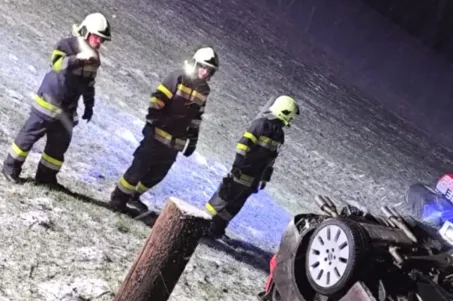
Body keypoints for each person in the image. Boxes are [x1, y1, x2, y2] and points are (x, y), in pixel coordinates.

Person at [2, 13, 111, 186]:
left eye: (102, 40)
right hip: (48, 104)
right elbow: (57, 65)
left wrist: (89, 105)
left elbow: (89, 83)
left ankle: (46, 177)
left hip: (67, 110)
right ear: (86, 32)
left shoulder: (95, 59)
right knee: (27, 137)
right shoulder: (66, 44)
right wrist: (78, 59)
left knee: (58, 147)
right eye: (98, 37)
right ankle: (10, 168)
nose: (99, 43)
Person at [109, 47, 218, 214]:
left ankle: (134, 196)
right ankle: (118, 199)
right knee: (139, 167)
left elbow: (197, 116)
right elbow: (157, 99)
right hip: (156, 134)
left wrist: (193, 139)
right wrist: (153, 122)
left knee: (158, 173)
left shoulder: (204, 90)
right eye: (204, 67)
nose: (206, 73)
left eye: (210, 70)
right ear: (196, 64)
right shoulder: (177, 77)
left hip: (175, 141)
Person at [206, 95, 299, 239]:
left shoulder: (279, 134)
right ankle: (198, 225)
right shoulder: (260, 125)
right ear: (285, 112)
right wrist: (238, 167)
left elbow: (271, 159)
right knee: (221, 200)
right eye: (291, 116)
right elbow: (242, 146)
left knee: (234, 207)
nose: (291, 119)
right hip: (241, 174)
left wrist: (264, 178)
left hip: (253, 179)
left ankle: (216, 230)